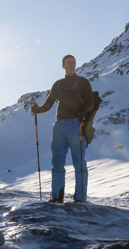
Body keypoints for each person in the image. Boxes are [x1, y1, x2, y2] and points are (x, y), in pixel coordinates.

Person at [31, 54, 94, 203]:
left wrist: (83, 111)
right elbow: (49, 104)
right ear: (63, 66)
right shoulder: (58, 84)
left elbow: (90, 102)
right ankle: (57, 197)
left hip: (76, 125)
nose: (71, 65)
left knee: (79, 164)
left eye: (73, 63)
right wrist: (38, 110)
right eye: (68, 63)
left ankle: (80, 199)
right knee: (57, 163)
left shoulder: (83, 82)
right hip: (59, 125)